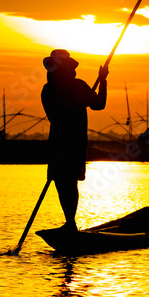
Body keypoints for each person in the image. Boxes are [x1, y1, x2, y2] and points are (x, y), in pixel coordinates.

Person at [40, 49, 108, 232]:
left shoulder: (79, 86)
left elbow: (98, 104)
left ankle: (70, 223)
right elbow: (53, 115)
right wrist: (73, 107)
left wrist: (102, 81)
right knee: (60, 181)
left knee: (70, 181)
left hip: (75, 142)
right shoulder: (48, 90)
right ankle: (69, 222)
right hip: (58, 141)